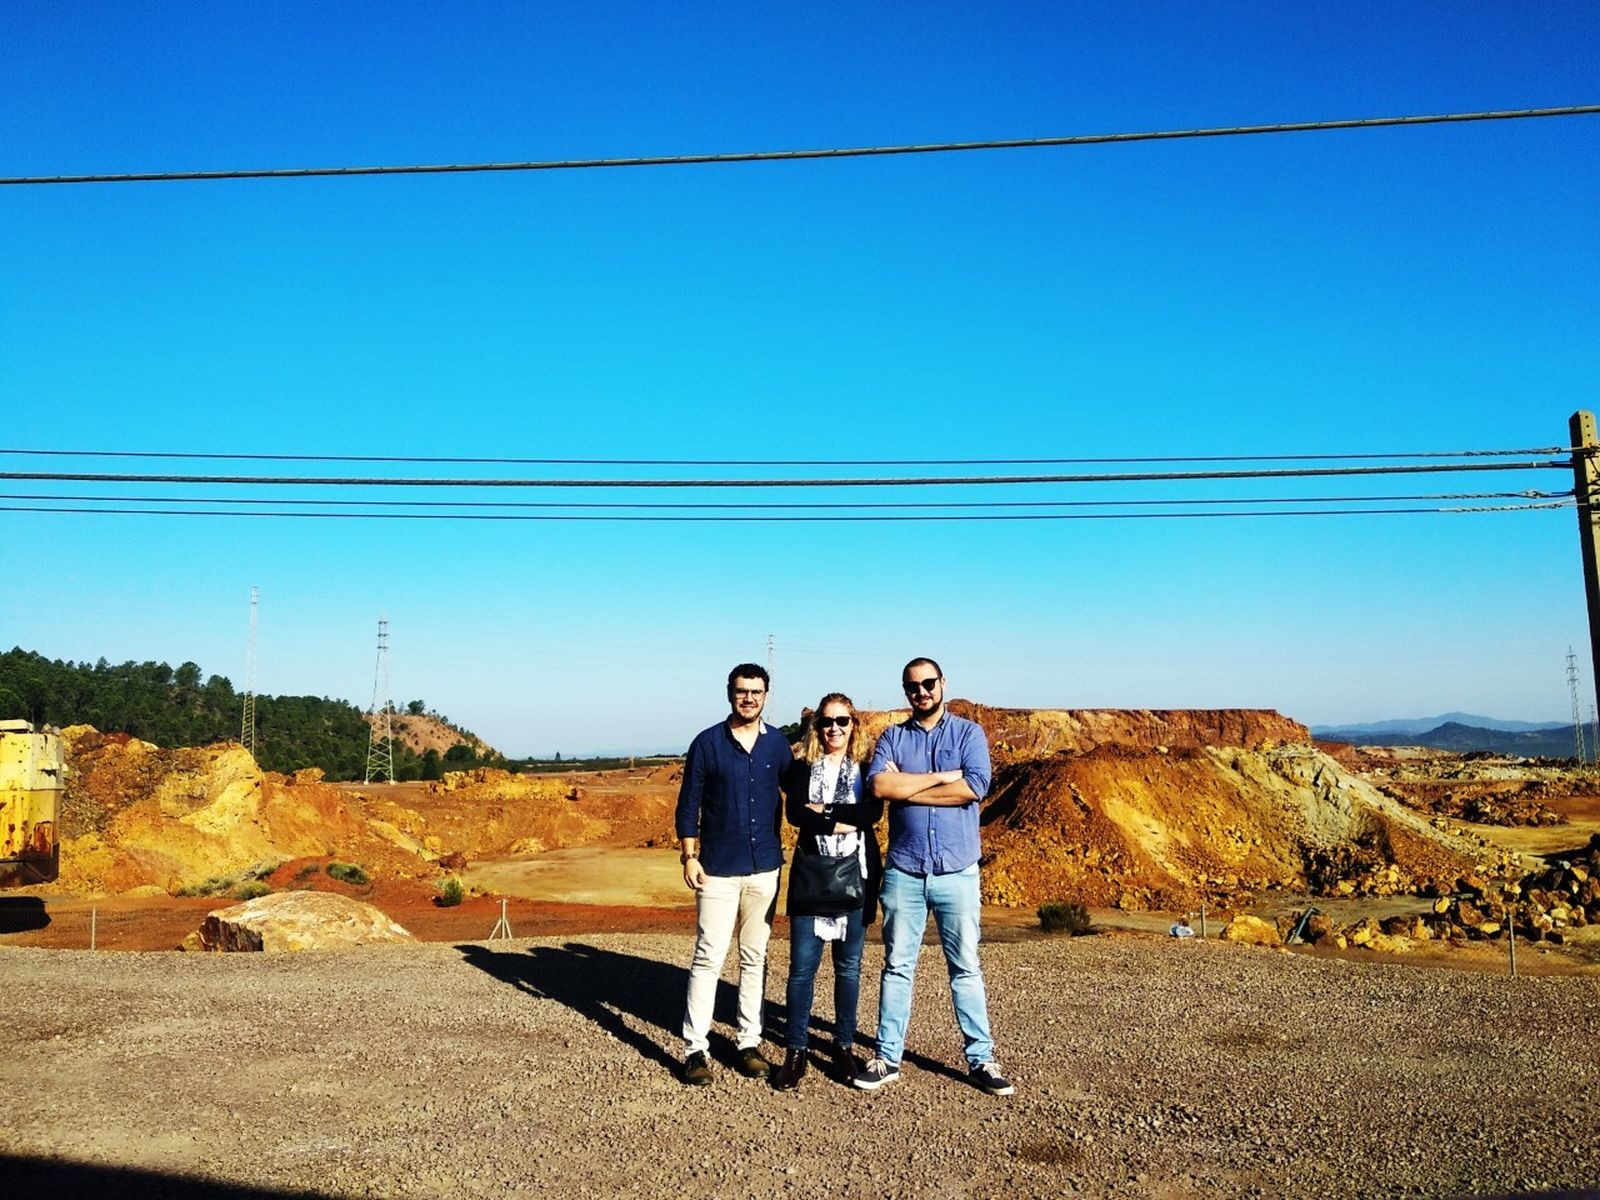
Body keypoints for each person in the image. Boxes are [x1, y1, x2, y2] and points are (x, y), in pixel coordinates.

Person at [853, 657, 1014, 1096]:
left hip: (956, 871)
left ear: (942, 683)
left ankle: (981, 1059)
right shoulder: (892, 737)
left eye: (928, 683)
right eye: (912, 686)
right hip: (904, 870)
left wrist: (909, 785)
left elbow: (975, 788)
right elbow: (880, 788)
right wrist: (943, 777)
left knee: (965, 968)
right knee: (896, 967)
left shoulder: (968, 733)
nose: (921, 691)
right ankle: (887, 1057)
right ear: (906, 691)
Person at [675, 663, 793, 1085]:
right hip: (718, 870)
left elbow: (796, 794)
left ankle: (748, 1042)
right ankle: (695, 1049)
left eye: (757, 692)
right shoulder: (707, 744)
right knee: (709, 955)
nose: (749, 698)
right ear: (729, 693)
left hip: (765, 870)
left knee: (754, 957)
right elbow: (689, 803)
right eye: (742, 691)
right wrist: (689, 855)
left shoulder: (778, 744)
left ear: (766, 695)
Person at [771, 693, 883, 1091]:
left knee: (848, 970)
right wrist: (842, 818)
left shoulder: (866, 770)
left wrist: (826, 812)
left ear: (854, 725)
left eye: (843, 720)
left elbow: (871, 814)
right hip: (811, 879)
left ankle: (843, 1047)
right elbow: (797, 814)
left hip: (856, 878)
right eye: (827, 721)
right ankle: (796, 1051)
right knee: (802, 970)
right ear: (816, 726)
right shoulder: (803, 769)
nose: (834, 728)